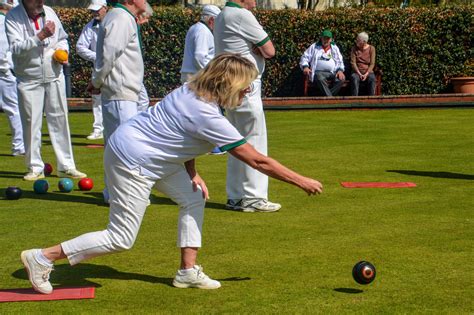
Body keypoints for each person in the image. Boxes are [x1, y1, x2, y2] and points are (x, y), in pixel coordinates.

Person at [19, 53, 323, 294]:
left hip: (145, 151)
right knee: (121, 237)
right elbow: (257, 161)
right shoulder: (206, 114)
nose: (248, 90)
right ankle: (43, 257)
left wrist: (193, 172)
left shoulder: (192, 89)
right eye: (246, 84)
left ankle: (187, 272)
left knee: (193, 196)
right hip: (132, 159)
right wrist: (301, 181)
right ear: (229, 84)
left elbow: (181, 137)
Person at [5, 0, 87, 180]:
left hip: (54, 75)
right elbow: (16, 49)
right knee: (31, 124)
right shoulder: (13, 17)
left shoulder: (49, 12)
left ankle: (66, 165)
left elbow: (62, 38)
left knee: (60, 121)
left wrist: (62, 51)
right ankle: (35, 167)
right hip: (28, 78)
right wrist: (39, 36)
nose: (41, 1)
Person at [214, 0, 280, 212]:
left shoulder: (223, 14)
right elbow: (270, 51)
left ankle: (236, 197)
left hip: (229, 84)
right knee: (254, 140)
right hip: (246, 85)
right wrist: (258, 50)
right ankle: (254, 197)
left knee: (235, 143)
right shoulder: (243, 15)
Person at [86, 0, 148, 203]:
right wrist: (96, 80)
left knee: (122, 145)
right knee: (123, 147)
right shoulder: (120, 17)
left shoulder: (124, 17)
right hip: (120, 92)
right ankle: (121, 195)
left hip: (126, 92)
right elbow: (108, 55)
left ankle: (119, 193)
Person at [180, 4, 223, 155]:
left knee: (200, 110)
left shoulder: (196, 28)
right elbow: (200, 56)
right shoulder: (203, 31)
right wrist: (211, 73)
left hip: (193, 75)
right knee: (210, 109)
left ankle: (208, 144)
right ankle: (216, 145)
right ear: (211, 20)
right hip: (197, 77)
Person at [76, 0, 108, 140]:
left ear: (105, 8)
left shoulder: (116, 22)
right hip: (99, 68)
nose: (94, 12)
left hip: (117, 68)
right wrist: (97, 57)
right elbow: (80, 47)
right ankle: (98, 129)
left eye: (97, 9)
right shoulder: (90, 26)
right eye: (93, 10)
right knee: (97, 99)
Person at [0, 0, 24, 156]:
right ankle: (19, 146)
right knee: (13, 109)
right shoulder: (4, 22)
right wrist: (8, 70)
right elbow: (3, 51)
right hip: (3, 72)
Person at [299, 29, 345, 96]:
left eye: (328, 39)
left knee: (342, 79)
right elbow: (304, 57)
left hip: (332, 72)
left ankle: (328, 97)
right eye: (324, 38)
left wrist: (340, 70)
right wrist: (305, 67)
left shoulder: (334, 48)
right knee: (319, 77)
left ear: (331, 39)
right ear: (321, 38)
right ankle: (330, 99)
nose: (326, 40)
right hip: (318, 72)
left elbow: (340, 60)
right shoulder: (314, 46)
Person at [350, 32, 376, 96]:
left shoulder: (371, 49)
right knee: (354, 78)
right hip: (356, 72)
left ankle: (371, 100)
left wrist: (366, 74)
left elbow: (372, 63)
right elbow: (353, 63)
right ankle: (354, 100)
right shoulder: (354, 48)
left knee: (372, 78)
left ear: (364, 42)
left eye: (358, 40)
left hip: (368, 72)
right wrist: (359, 73)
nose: (356, 41)